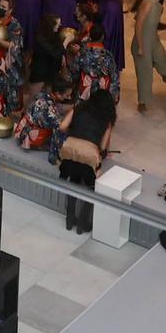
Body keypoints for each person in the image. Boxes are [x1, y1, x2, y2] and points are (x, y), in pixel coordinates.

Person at [57, 88, 116, 233]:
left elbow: (62, 126)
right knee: (91, 189)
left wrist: (74, 133)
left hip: (69, 151)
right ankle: (83, 224)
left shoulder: (78, 108)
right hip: (89, 155)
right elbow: (102, 146)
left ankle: (69, 220)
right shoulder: (107, 119)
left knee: (74, 181)